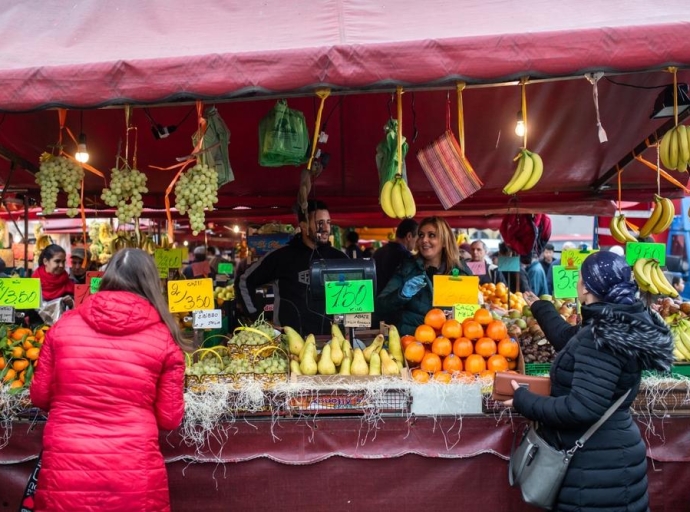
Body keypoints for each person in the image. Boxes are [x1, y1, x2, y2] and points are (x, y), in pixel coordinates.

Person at [504, 251, 673, 511]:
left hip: (597, 469)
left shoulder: (602, 336)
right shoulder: (616, 322)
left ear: (585, 288)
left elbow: (581, 408)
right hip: (610, 459)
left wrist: (523, 400)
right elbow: (568, 338)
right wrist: (541, 306)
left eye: (580, 278)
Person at [30, 248, 187, 512]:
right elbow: (169, 417)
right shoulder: (164, 338)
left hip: (67, 464)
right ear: (151, 283)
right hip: (132, 467)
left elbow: (40, 396)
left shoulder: (63, 327)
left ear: (106, 278)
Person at [239, 199, 348, 336]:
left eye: (328, 222)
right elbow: (244, 281)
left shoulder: (340, 258)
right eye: (320, 223)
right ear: (303, 225)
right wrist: (256, 318)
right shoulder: (282, 256)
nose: (326, 228)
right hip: (290, 343)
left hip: (333, 343)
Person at [375, 216, 472, 336]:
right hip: (412, 339)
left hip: (450, 342)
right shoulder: (407, 267)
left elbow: (469, 314)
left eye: (431, 235)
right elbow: (380, 306)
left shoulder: (461, 271)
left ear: (444, 241)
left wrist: (459, 314)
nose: (424, 240)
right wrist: (401, 294)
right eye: (421, 235)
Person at [373, 218, 419, 294]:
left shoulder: (379, 251)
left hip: (375, 299)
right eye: (417, 238)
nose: (417, 242)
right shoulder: (405, 256)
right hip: (392, 301)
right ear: (409, 236)